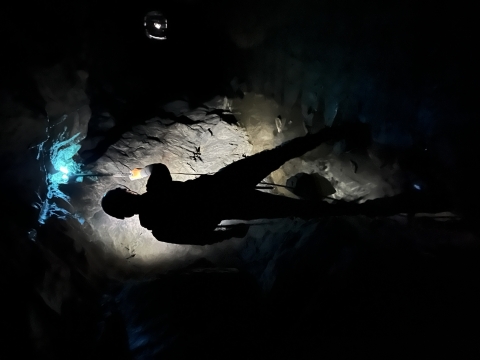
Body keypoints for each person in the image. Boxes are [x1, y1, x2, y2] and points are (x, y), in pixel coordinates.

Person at [101, 124, 371, 245]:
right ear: (128, 192)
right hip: (224, 183)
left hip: (231, 205)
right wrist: (139, 170)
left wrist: (231, 233)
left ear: (125, 215)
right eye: (124, 191)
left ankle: (358, 209)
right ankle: (331, 133)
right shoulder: (156, 189)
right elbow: (158, 168)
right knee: (276, 156)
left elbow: (200, 238)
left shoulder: (159, 230)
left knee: (287, 208)